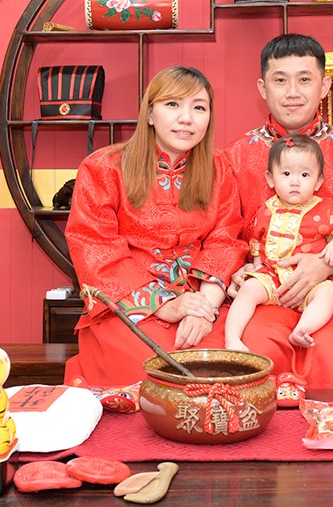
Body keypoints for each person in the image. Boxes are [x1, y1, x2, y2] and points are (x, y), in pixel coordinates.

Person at [224, 34, 333, 388]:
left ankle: (331, 422)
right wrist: (237, 270)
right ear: (262, 88)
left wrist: (328, 266)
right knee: (256, 350)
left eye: (304, 79)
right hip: (266, 292)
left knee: (331, 352)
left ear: (324, 86)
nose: (292, 92)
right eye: (280, 80)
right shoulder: (235, 156)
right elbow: (224, 232)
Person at [64, 66, 247, 386]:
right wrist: (164, 305)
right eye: (173, 104)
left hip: (203, 300)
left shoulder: (219, 169)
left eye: (199, 107)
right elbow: (93, 245)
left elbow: (225, 241)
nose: (186, 118)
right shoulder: (104, 168)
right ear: (149, 113)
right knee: (156, 373)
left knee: (229, 363)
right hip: (128, 307)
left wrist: (204, 310)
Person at [226, 133, 333, 351]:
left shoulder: (327, 209)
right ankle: (232, 338)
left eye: (305, 175)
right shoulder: (265, 210)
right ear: (270, 179)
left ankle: (303, 329)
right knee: (248, 289)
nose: (295, 182)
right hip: (273, 276)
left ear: (318, 181)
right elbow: (256, 243)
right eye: (286, 174)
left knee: (329, 294)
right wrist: (255, 267)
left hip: (312, 280)